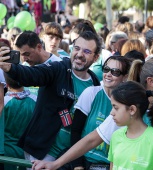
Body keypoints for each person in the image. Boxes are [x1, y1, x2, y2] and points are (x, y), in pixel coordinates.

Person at [32, 57, 153, 170]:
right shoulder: (129, 115)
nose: (112, 112)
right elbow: (91, 139)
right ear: (151, 81)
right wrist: (56, 164)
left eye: (115, 71)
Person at [0, 31, 101, 163]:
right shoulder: (58, 68)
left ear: (96, 57)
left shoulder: (95, 84)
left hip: (71, 155)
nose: (80, 54)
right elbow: (32, 75)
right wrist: (11, 68)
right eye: (76, 48)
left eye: (87, 51)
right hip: (43, 151)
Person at [71, 56, 130, 170]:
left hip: (113, 165)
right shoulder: (91, 93)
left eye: (115, 72)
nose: (108, 74)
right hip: (86, 162)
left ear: (125, 77)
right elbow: (75, 131)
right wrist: (77, 165)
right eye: (106, 69)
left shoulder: (128, 102)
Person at [108, 81, 153, 169]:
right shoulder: (116, 136)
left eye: (116, 108)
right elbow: (112, 166)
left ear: (132, 109)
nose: (111, 113)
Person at [2, 73, 37, 170]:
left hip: (7, 153)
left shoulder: (3, 102)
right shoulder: (35, 100)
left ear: (6, 84)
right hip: (28, 153)